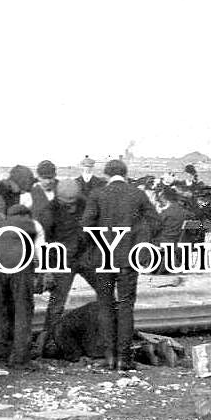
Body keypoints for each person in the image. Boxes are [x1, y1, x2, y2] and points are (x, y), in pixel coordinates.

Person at [81, 159, 160, 371]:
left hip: (104, 261)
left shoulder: (97, 194)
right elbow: (155, 221)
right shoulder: (138, 194)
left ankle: (109, 357)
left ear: (106, 175)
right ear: (125, 174)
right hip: (128, 261)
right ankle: (125, 358)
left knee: (105, 305)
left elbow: (86, 225)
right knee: (126, 306)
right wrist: (140, 239)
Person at [40, 178, 95, 357]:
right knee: (56, 305)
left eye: (74, 203)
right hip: (60, 261)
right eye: (67, 204)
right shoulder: (48, 213)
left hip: (84, 256)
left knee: (107, 291)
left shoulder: (85, 203)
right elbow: (42, 243)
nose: (71, 207)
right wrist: (47, 270)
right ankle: (49, 343)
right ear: (58, 199)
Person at [0, 204, 39, 367]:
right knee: (23, 309)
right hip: (21, 268)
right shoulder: (34, 226)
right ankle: (20, 357)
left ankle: (0, 351)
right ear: (26, 215)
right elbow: (39, 250)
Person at [30, 160, 58, 231]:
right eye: (44, 178)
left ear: (55, 176)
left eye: (50, 178)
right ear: (38, 177)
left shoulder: (61, 190)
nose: (47, 182)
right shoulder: (30, 193)